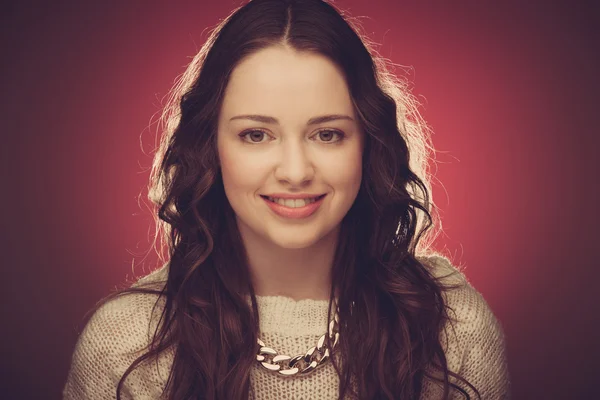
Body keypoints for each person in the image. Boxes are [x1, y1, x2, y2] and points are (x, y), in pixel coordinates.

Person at [63, 0, 510, 399]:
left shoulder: (452, 329)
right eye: (256, 134)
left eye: (328, 134)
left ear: (367, 144)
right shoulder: (126, 346)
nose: (295, 172)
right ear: (210, 146)